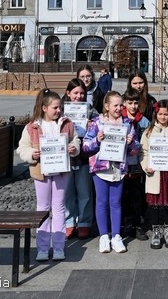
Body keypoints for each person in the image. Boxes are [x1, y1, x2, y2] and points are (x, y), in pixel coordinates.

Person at [17, 89, 80, 261]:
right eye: (55, 108)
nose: (58, 111)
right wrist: (31, 153)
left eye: (60, 107)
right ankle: (43, 247)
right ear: (44, 108)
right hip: (41, 172)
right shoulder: (32, 127)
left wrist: (74, 148)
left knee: (59, 207)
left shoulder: (67, 123)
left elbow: (75, 139)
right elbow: (22, 147)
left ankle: (59, 246)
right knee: (43, 208)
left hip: (61, 171)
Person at [81, 90, 140, 254]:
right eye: (116, 105)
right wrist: (96, 140)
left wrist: (131, 143)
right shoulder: (96, 123)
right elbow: (85, 147)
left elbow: (135, 150)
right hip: (100, 169)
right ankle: (104, 236)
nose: (119, 108)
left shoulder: (127, 123)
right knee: (101, 202)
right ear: (107, 106)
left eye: (121, 105)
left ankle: (116, 236)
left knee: (116, 203)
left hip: (118, 169)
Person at [140, 100, 168, 249]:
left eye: (166, 114)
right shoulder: (148, 132)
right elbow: (143, 152)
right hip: (155, 174)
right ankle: (156, 231)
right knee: (155, 205)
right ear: (156, 114)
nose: (163, 117)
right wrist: (146, 166)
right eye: (160, 114)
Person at [62, 78, 97, 240]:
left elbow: (100, 124)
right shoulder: (60, 110)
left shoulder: (89, 109)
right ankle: (69, 222)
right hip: (65, 155)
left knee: (84, 192)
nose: (79, 96)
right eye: (75, 93)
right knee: (67, 192)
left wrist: (93, 125)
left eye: (82, 93)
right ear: (68, 93)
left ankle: (84, 222)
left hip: (84, 155)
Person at [121, 89, 149, 240]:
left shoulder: (143, 121)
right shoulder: (120, 119)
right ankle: (127, 224)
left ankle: (139, 225)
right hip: (123, 166)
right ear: (124, 103)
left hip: (138, 166)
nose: (133, 106)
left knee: (137, 197)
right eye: (130, 103)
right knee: (124, 197)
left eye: (136, 102)